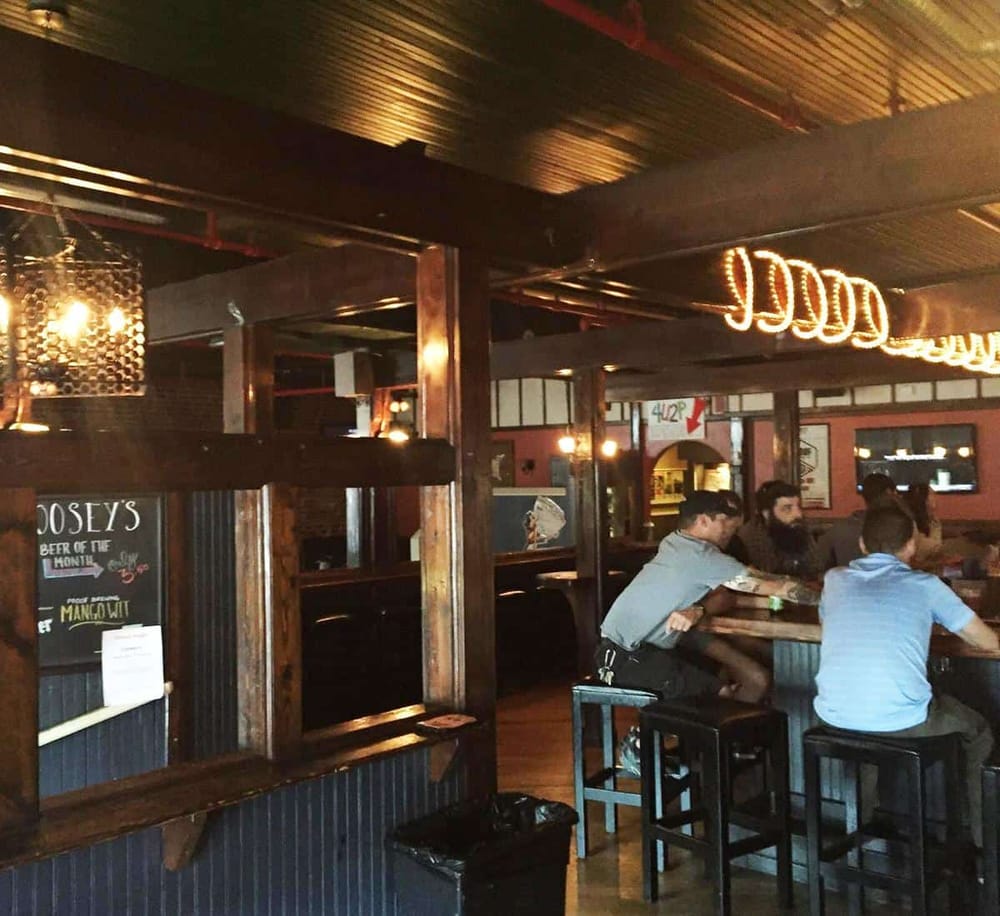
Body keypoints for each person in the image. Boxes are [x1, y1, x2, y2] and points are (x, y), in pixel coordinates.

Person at [814, 502, 998, 846]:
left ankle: (860, 834)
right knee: (979, 731)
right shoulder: (926, 585)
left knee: (864, 736)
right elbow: (986, 641)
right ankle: (981, 843)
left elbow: (831, 625)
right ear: (911, 545)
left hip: (834, 715)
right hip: (902, 719)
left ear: (863, 545)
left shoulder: (834, 580)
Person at [596, 490, 819, 704]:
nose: (728, 530)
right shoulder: (701, 556)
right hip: (627, 657)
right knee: (721, 694)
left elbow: (753, 582)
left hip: (630, 648)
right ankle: (660, 739)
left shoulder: (675, 541)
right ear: (703, 521)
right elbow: (773, 587)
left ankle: (709, 739)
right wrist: (826, 598)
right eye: (722, 521)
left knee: (751, 676)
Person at [729, 480, 823, 580]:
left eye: (798, 507)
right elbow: (761, 578)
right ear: (767, 514)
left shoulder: (798, 529)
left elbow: (816, 570)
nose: (798, 514)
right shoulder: (749, 537)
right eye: (787, 508)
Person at [816, 471, 896, 570]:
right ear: (889, 492)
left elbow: (817, 562)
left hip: (846, 583)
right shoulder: (899, 527)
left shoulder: (840, 528)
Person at [902, 482, 943, 567]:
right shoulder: (910, 524)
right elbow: (913, 563)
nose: (935, 498)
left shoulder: (930, 521)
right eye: (931, 494)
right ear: (924, 500)